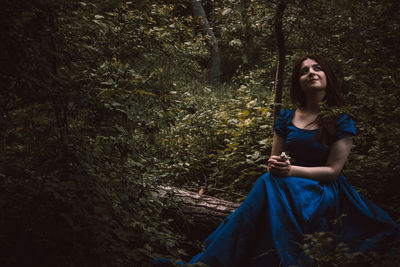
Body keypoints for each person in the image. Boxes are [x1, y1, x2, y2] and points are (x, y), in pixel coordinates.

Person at [154, 54, 400, 266]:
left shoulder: (340, 120)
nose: (311, 73)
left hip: (323, 190)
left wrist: (290, 171)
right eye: (304, 71)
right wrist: (277, 165)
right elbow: (273, 159)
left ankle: (213, 260)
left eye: (317, 68)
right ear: (299, 83)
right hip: (286, 183)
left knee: (267, 183)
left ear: (327, 77)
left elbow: (333, 171)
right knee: (267, 179)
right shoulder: (286, 117)